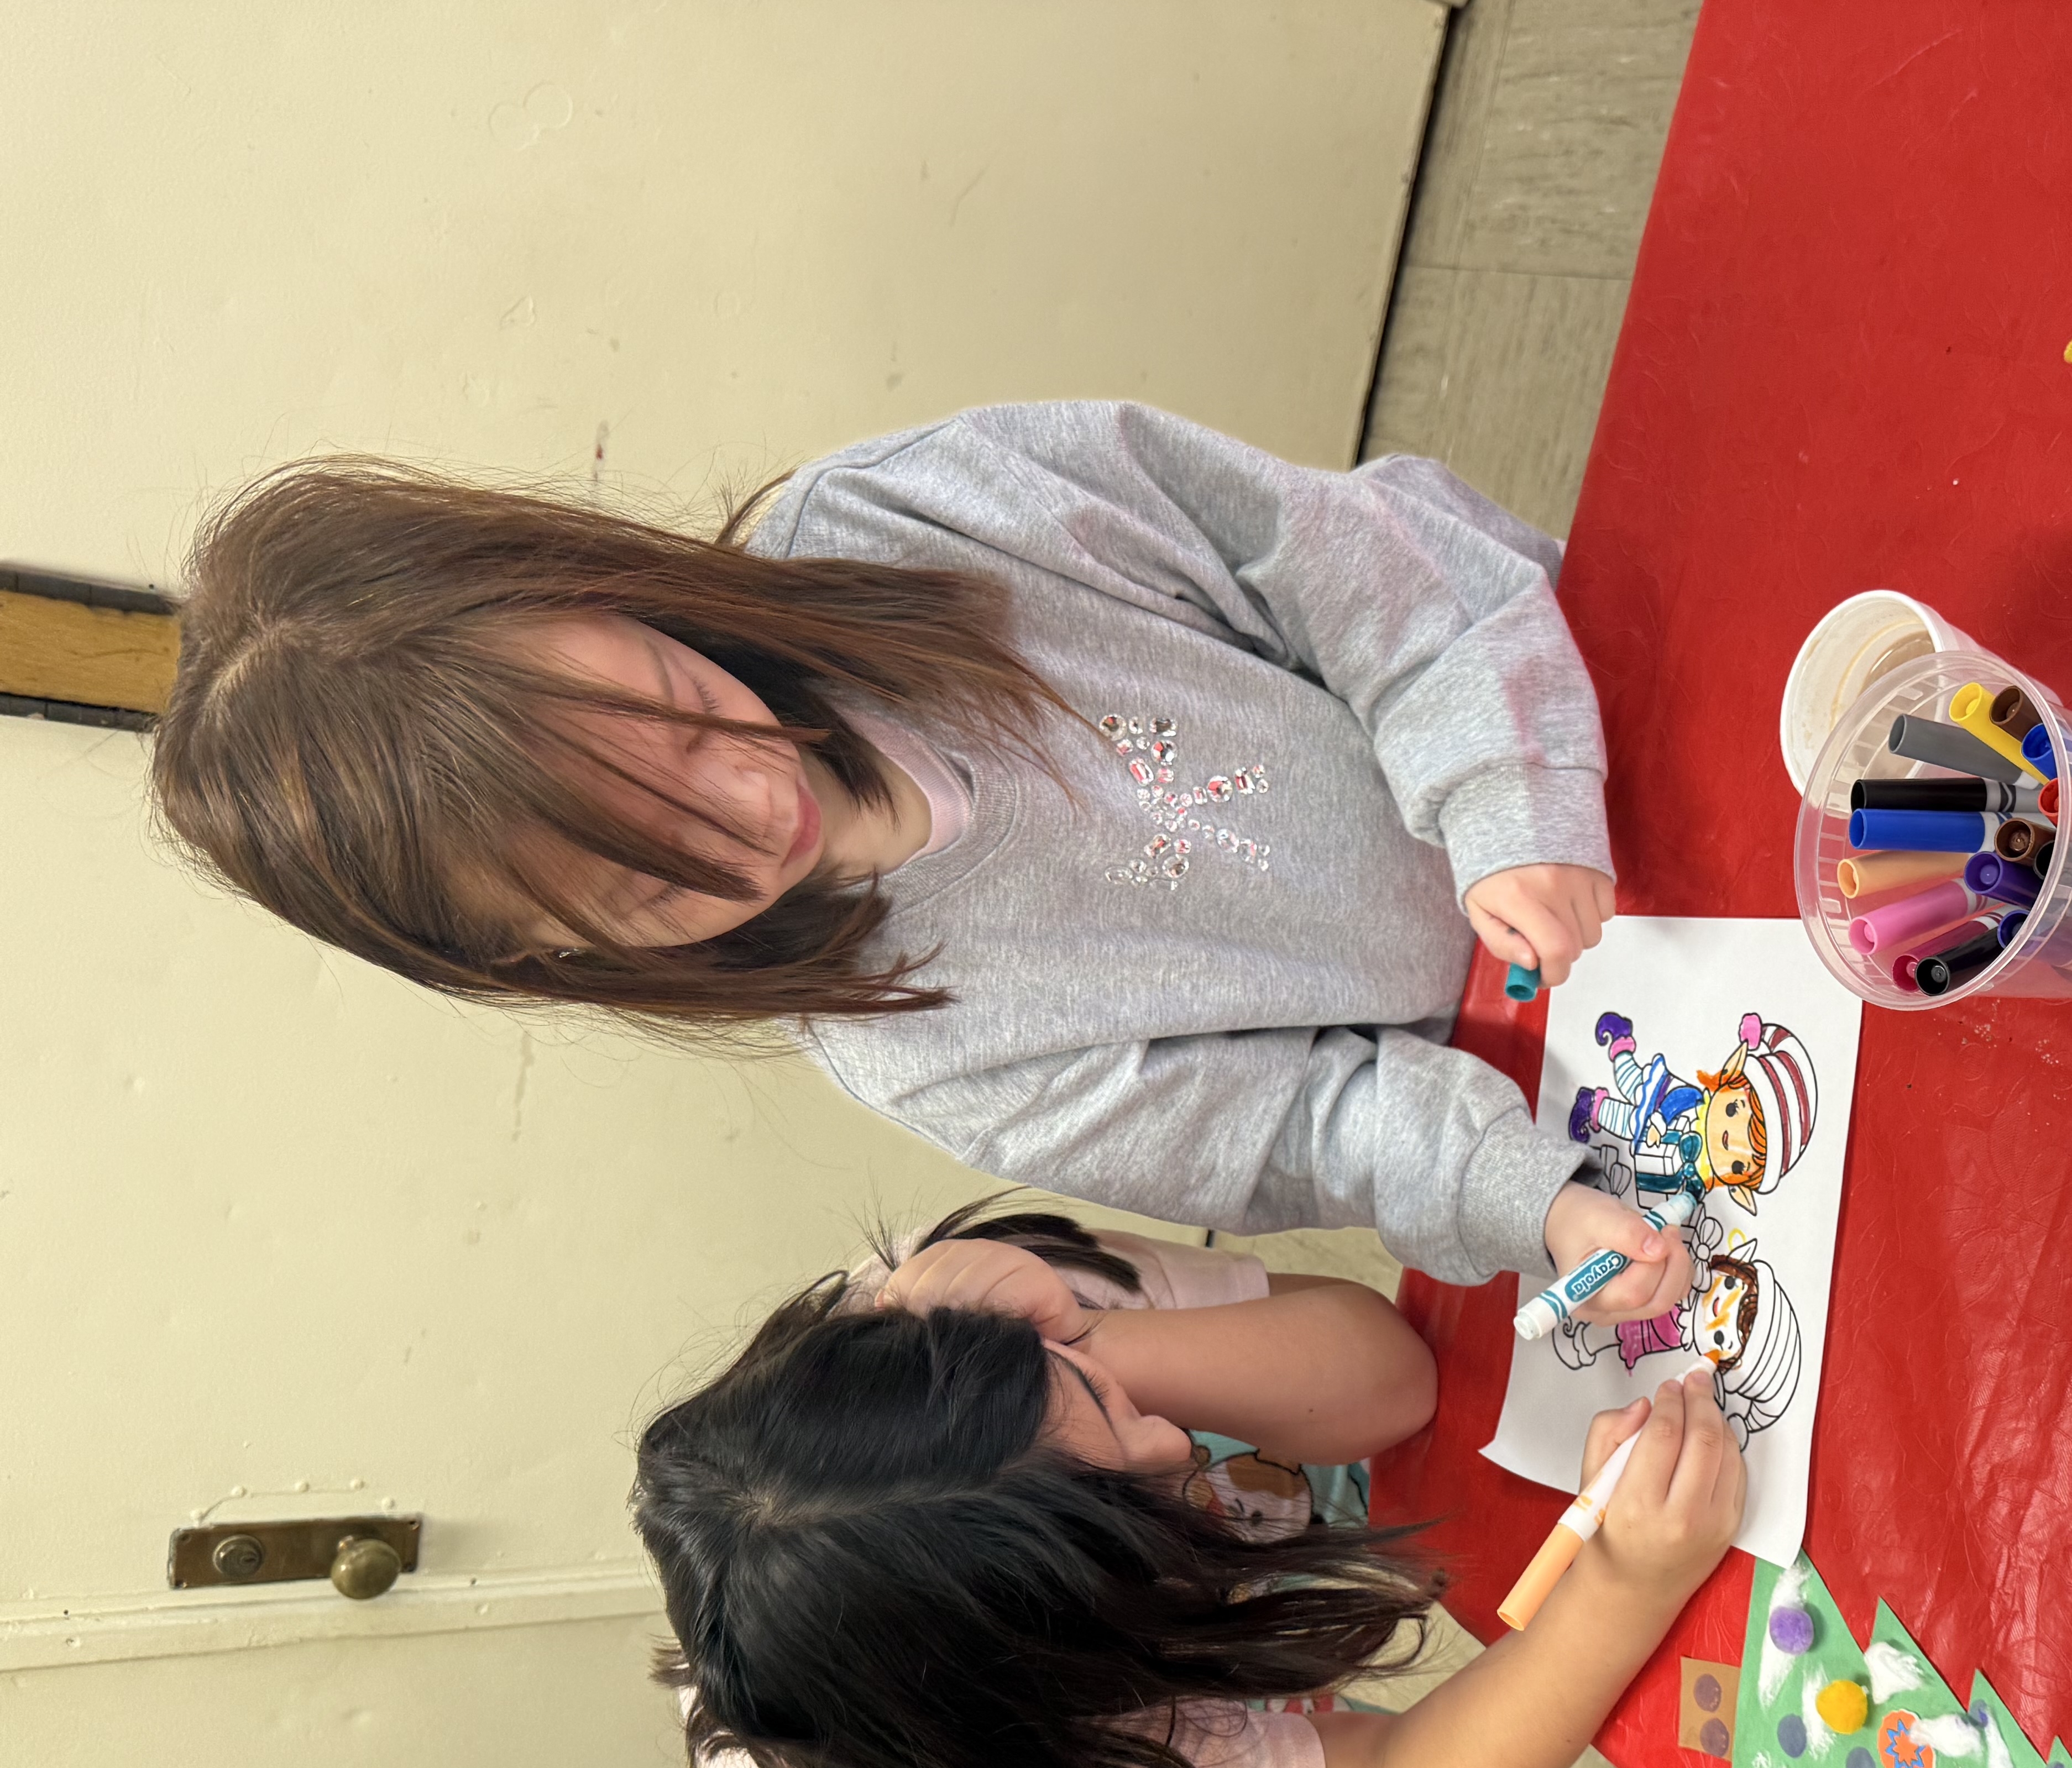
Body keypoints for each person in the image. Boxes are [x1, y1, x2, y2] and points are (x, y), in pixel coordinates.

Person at [146, 402, 1686, 1320]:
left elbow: (1345, 567)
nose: (751, 809)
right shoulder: (921, 1049)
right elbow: (1315, 1123)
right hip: (1584, 1030)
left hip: (1586, 714)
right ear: (557, 955)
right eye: (649, 885)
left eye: (685, 720)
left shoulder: (899, 521)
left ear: (610, 590)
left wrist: (1502, 802)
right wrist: (1530, 1201)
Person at [631, 1200, 1883, 1768]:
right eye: (1137, 1491)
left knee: (1311, 1479)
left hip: (1028, 1585)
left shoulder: (966, 1330)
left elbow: (1388, 1376)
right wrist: (1619, 1592)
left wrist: (1095, 1343)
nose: (1177, 1437)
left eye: (1097, 1401)